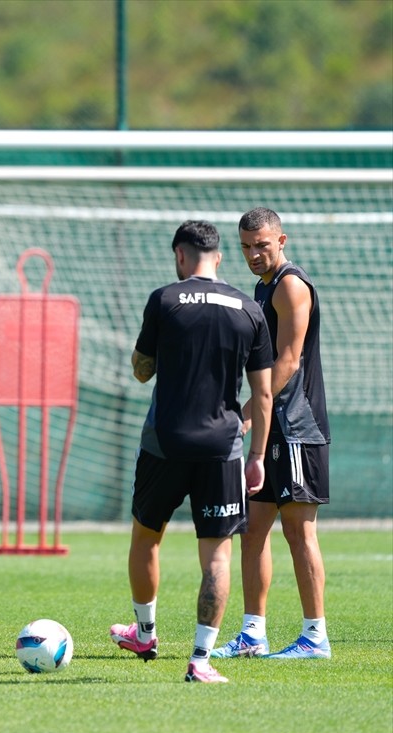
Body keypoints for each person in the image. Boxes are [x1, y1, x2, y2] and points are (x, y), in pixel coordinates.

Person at [109, 220, 273, 683]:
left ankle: (145, 634)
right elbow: (263, 395)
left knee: (146, 538)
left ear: (180, 256)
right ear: (218, 257)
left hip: (164, 442)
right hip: (223, 448)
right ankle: (200, 660)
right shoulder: (248, 309)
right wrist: (257, 456)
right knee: (217, 556)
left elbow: (142, 370)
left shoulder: (164, 300)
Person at [212, 207, 332, 660]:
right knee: (253, 529)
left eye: (261, 245)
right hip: (273, 427)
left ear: (281, 241)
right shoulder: (262, 287)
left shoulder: (290, 286)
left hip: (298, 427)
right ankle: (252, 633)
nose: (253, 254)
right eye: (245, 247)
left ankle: (315, 636)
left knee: (298, 532)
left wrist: (246, 413)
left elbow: (289, 361)